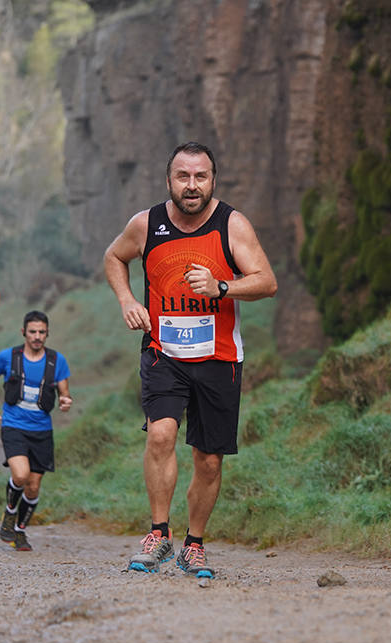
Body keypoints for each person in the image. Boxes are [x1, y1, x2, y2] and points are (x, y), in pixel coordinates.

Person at [104, 141, 277, 578]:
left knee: (209, 459)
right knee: (160, 435)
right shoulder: (146, 224)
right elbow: (114, 257)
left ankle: (193, 544)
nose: (192, 185)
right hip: (163, 352)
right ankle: (158, 535)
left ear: (212, 180)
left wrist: (223, 286)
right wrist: (127, 300)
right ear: (169, 181)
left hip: (219, 357)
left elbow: (266, 282)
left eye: (201, 176)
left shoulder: (231, 224)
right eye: (184, 176)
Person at [0, 310, 72, 551]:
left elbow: (64, 392)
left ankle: (19, 531)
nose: (37, 336)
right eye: (32, 332)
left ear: (47, 333)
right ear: (24, 332)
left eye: (42, 332)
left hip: (42, 430)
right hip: (14, 425)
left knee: (33, 487)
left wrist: (65, 400)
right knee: (20, 475)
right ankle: (9, 513)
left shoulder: (56, 361)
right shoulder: (8, 357)